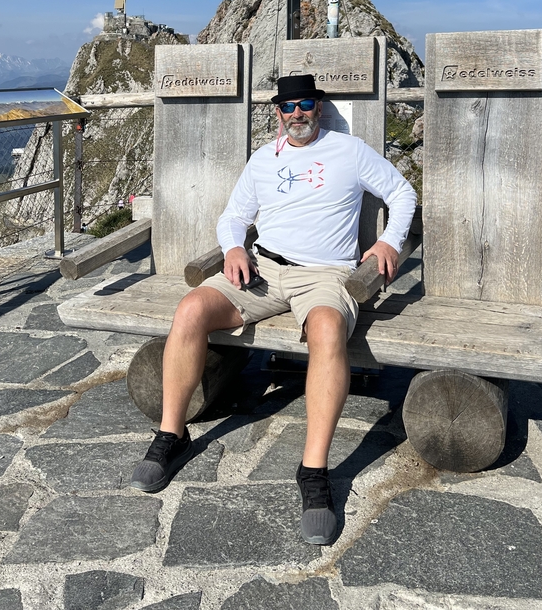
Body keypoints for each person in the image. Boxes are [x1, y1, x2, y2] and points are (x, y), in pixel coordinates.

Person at [131, 73, 417, 545]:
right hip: (263, 270)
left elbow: (403, 193)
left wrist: (388, 240)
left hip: (325, 274)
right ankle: (171, 435)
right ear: (277, 113)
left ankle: (313, 472)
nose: (297, 114)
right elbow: (234, 216)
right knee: (190, 310)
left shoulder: (349, 151)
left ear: (319, 107)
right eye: (288, 107)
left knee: (326, 331)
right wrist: (233, 248)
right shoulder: (264, 159)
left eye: (305, 104)